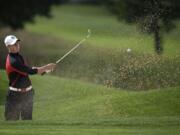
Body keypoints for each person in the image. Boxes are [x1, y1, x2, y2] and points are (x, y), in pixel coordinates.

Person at [4, 35, 56, 121]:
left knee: (27, 122)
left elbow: (27, 70)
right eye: (14, 44)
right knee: (12, 122)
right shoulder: (13, 61)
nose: (17, 45)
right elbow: (30, 71)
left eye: (17, 43)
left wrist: (43, 70)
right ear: (8, 46)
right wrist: (46, 67)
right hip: (15, 96)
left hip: (27, 94)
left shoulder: (18, 56)